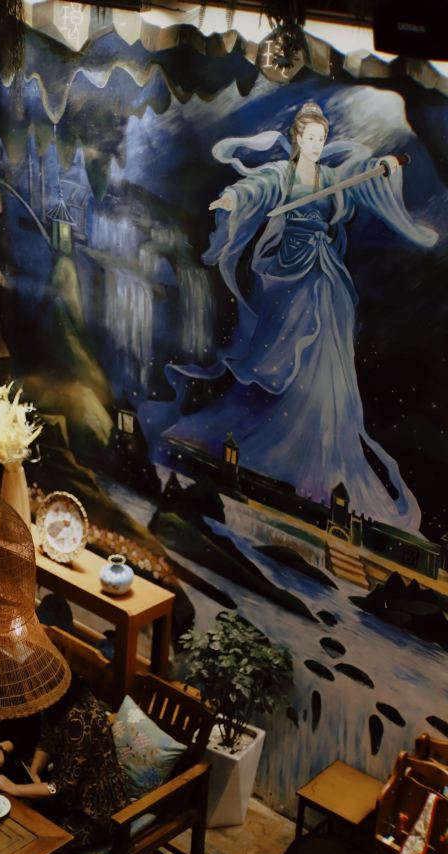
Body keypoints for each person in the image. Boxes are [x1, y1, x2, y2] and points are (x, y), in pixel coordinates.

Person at [145, 101, 438, 533]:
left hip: (323, 272)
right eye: (311, 138)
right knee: (279, 357)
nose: (317, 145)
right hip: (287, 271)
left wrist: (385, 167)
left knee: (326, 360)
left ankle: (321, 450)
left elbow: (360, 181)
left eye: (322, 139)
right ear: (298, 139)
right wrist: (233, 197)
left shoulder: (332, 179)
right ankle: (266, 436)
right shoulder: (282, 175)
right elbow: (256, 188)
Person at [0, 673, 127, 850]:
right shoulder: (55, 701)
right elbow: (47, 741)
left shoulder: (81, 719)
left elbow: (59, 787)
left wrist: (15, 788)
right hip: (65, 792)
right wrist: (34, 770)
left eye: (31, 692)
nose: (28, 697)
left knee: (40, 841)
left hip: (94, 808)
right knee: (16, 816)